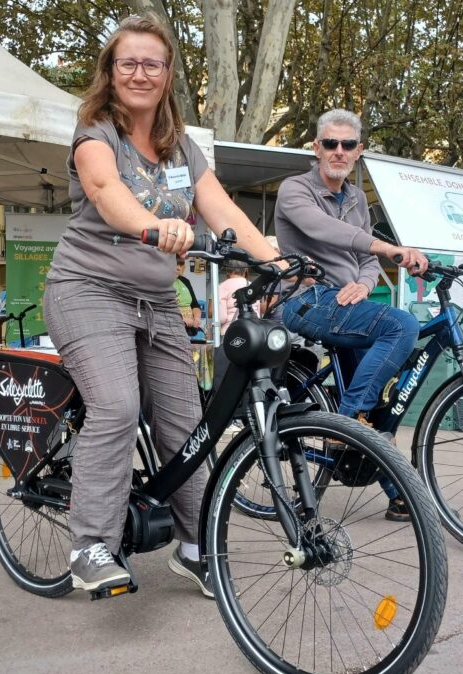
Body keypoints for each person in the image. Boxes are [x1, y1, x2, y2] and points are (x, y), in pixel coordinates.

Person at [42, 14, 281, 597]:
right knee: (118, 406)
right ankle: (91, 544)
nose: (140, 73)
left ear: (168, 73)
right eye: (129, 63)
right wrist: (156, 226)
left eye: (152, 63)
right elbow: (105, 191)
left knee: (186, 425)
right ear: (111, 71)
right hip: (87, 291)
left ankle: (197, 547)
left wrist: (274, 262)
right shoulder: (96, 134)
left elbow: (223, 209)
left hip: (155, 299)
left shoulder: (182, 146)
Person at [275, 108, 429, 522]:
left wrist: (364, 280)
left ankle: (398, 493)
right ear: (316, 148)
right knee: (403, 325)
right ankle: (342, 425)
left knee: (377, 398)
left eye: (347, 145)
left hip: (348, 304)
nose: (338, 151)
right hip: (306, 300)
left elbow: (363, 256)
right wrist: (386, 249)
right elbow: (327, 231)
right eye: (330, 143)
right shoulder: (295, 189)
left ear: (358, 151)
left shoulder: (357, 198)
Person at [173, 257, 203, 338]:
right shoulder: (162, 282)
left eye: (181, 265)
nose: (178, 268)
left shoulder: (185, 281)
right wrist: (182, 319)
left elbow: (195, 305)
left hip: (190, 327)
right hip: (173, 327)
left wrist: (197, 318)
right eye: (175, 264)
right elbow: (162, 309)